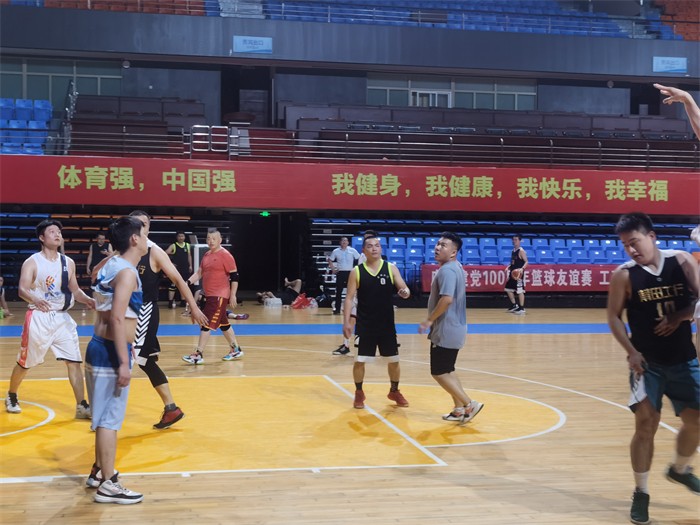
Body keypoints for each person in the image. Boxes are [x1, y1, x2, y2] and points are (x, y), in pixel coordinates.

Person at [606, 213, 700, 525]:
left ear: (652, 236)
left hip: (684, 358)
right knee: (646, 424)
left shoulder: (681, 261)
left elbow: (699, 300)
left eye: (634, 242)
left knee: (697, 422)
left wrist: (679, 317)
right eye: (625, 245)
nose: (631, 249)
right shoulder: (624, 275)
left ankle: (679, 469)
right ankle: (641, 491)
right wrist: (631, 352)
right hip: (647, 364)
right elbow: (613, 316)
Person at [5, 219, 95, 417]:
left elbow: (75, 290)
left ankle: (81, 405)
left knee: (74, 362)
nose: (57, 235)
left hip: (62, 319)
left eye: (59, 232)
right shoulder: (32, 262)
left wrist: (88, 299)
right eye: (52, 232)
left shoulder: (68, 262)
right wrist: (35, 299)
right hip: (39, 317)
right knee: (26, 363)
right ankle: (11, 394)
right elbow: (22, 289)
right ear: (42, 238)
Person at [85, 215, 147, 504]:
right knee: (109, 420)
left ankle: (99, 472)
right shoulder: (126, 273)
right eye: (144, 234)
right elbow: (118, 319)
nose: (146, 239)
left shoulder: (110, 264)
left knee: (102, 419)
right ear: (134, 239)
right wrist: (124, 361)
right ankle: (109, 484)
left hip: (98, 346)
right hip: (111, 351)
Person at [128, 211, 208, 429]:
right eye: (135, 223)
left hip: (144, 312)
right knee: (145, 361)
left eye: (144, 224)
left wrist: (193, 307)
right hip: (126, 312)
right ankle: (171, 408)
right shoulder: (124, 249)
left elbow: (179, 280)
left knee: (126, 360)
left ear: (148, 228)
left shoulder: (154, 252)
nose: (140, 227)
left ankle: (107, 415)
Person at [418, 232, 484, 424]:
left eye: (443, 245)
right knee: (448, 370)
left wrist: (429, 320)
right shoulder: (456, 267)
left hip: (446, 329)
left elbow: (446, 300)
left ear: (453, 252)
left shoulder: (447, 270)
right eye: (438, 244)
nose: (438, 247)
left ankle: (469, 404)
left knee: (438, 372)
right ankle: (458, 410)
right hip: (457, 327)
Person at [343, 235, 411, 409]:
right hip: (365, 324)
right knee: (360, 360)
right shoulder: (357, 271)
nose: (374, 248)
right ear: (364, 251)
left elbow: (405, 289)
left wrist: (404, 292)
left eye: (377, 245)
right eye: (370, 246)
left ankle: (394, 391)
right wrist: (346, 322)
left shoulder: (390, 268)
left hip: (386, 325)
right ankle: (359, 392)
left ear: (381, 249)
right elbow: (349, 298)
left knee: (394, 360)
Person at [182, 228, 243, 364]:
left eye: (214, 239)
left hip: (220, 296)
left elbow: (235, 276)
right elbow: (199, 272)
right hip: (209, 295)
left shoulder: (225, 255)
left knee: (206, 323)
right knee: (223, 324)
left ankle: (198, 354)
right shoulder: (207, 255)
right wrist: (187, 282)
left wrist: (233, 295)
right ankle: (236, 349)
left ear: (220, 240)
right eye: (208, 238)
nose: (211, 241)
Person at [332, 229, 378, 355]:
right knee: (351, 318)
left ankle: (384, 340)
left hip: (372, 295)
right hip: (360, 292)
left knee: (375, 320)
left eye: (369, 238)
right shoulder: (362, 256)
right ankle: (346, 344)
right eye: (365, 238)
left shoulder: (378, 260)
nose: (366, 240)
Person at [328, 236, 360, 315]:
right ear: (340, 242)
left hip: (350, 272)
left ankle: (352, 309)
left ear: (348, 242)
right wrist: (333, 269)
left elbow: (359, 258)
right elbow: (330, 259)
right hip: (340, 272)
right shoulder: (336, 251)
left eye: (346, 241)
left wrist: (357, 269)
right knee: (338, 291)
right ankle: (337, 309)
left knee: (352, 291)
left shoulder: (352, 250)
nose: (344, 242)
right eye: (343, 241)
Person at [165, 231, 193, 309]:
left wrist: (190, 265)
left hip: (185, 268)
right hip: (176, 268)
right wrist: (171, 263)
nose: (181, 238)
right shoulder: (173, 245)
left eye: (182, 236)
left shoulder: (187, 245)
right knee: (173, 285)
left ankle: (183, 301)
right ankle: (170, 302)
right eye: (179, 236)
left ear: (184, 237)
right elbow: (164, 253)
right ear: (177, 237)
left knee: (183, 284)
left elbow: (189, 256)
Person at [504, 234, 528, 315]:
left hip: (518, 274)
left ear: (520, 241)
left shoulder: (521, 251)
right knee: (508, 289)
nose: (514, 241)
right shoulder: (513, 251)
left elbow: (526, 262)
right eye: (513, 239)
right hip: (512, 273)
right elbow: (513, 262)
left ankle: (522, 308)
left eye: (516, 240)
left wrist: (522, 269)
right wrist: (509, 267)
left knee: (520, 290)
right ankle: (514, 305)